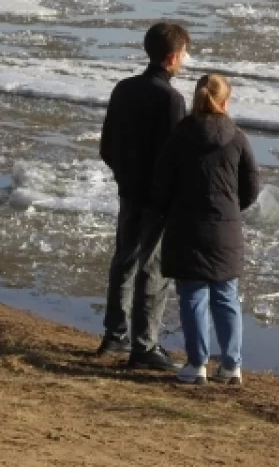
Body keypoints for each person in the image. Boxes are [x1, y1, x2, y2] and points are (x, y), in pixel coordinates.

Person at [155, 73, 260, 386]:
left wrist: (169, 210)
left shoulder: (178, 135)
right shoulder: (238, 136)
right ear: (226, 101)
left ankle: (197, 363)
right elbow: (252, 186)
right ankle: (231, 365)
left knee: (193, 295)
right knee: (226, 295)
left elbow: (162, 184)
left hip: (186, 225)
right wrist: (229, 208)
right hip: (225, 227)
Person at [98, 22, 190, 371]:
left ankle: (115, 334)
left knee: (124, 260)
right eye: (183, 53)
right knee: (152, 268)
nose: (184, 59)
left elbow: (107, 145)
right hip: (155, 198)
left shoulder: (124, 88)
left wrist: (124, 174)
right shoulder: (170, 99)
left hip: (129, 189)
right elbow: (173, 157)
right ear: (172, 58)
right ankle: (145, 345)